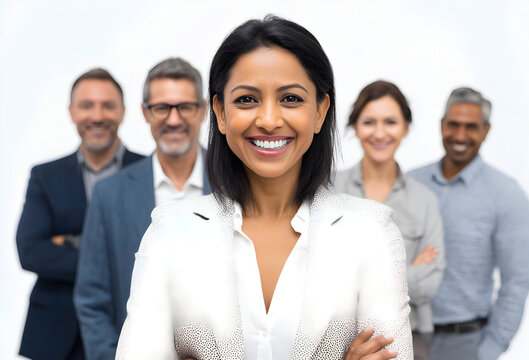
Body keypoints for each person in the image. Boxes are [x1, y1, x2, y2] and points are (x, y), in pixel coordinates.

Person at [116, 16, 412, 360]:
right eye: (246, 100)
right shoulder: (168, 232)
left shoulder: (371, 232)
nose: (269, 120)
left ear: (320, 111)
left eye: (290, 98)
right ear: (220, 112)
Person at [74, 57, 211, 360]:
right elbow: (92, 298)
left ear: (203, 110)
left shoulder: (238, 184)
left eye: (185, 107)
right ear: (145, 113)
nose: (173, 120)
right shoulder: (109, 194)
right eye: (162, 108)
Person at [16, 68, 144, 360]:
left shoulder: (148, 172)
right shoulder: (45, 176)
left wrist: (72, 242)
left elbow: (156, 250)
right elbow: (30, 251)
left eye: (107, 105)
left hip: (128, 331)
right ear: (72, 112)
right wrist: (114, 256)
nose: (97, 116)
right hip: (54, 336)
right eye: (86, 106)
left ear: (123, 112)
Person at [409, 87, 529, 360]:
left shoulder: (506, 195)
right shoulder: (410, 183)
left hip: (464, 345)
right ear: (442, 125)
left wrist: (489, 350)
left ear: (486, 131)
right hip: (406, 339)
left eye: (471, 127)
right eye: (453, 124)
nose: (460, 136)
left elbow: (516, 282)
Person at [334, 80, 444, 360]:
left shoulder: (424, 200)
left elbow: (428, 287)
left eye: (391, 122)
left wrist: (355, 279)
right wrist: (410, 272)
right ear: (355, 127)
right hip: (339, 340)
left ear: (405, 128)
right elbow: (314, 276)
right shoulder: (329, 190)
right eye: (369, 122)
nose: (380, 133)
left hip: (410, 339)